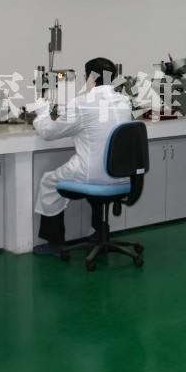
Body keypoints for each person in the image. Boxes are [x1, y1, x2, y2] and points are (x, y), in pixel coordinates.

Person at [32, 57, 132, 256]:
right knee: (96, 181)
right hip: (122, 173)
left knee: (49, 182)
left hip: (92, 173)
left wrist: (41, 113)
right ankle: (100, 232)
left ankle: (54, 243)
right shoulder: (124, 101)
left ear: (89, 78)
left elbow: (48, 132)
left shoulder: (81, 103)